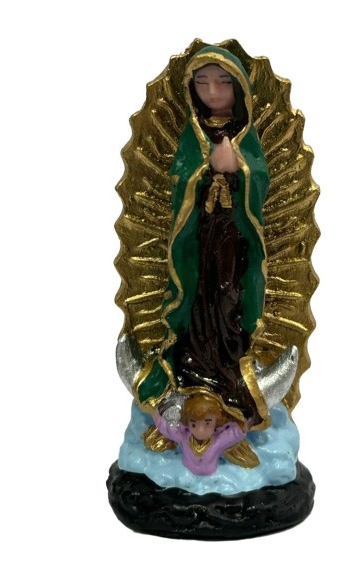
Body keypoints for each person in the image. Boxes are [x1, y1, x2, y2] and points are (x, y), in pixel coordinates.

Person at [137, 45, 270, 428]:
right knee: (197, 301)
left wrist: (239, 169)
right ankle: (190, 374)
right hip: (199, 242)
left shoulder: (245, 136)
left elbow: (260, 179)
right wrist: (203, 171)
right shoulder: (193, 134)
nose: (213, 92)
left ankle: (230, 372)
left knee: (228, 300)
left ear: (238, 88)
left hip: (232, 241)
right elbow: (180, 177)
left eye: (223, 82)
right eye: (203, 83)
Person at [153, 394, 249, 476]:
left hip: (211, 475)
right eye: (193, 424)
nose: (200, 430)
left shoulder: (218, 441)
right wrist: (157, 416)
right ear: (187, 423)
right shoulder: (184, 436)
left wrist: (244, 427)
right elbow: (169, 431)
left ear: (216, 422)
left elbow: (232, 435)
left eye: (207, 423)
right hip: (187, 472)